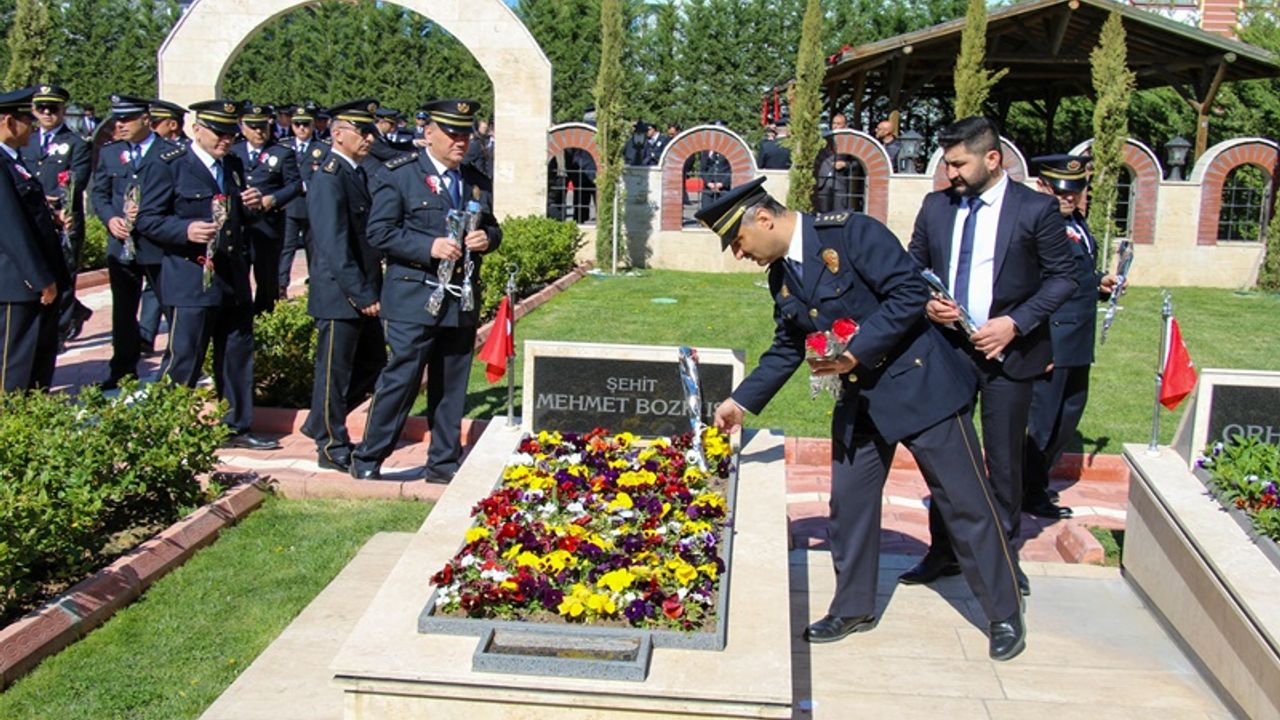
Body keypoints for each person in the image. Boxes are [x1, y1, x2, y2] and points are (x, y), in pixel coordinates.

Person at [700, 177, 1025, 661]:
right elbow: (789, 345)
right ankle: (853, 607)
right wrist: (741, 402)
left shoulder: (853, 234)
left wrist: (856, 352)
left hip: (922, 390)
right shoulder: (782, 276)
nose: (738, 254)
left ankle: (1003, 612)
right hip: (860, 402)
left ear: (764, 219)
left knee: (965, 505)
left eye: (739, 241)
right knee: (849, 505)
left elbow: (908, 294)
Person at [904, 116, 1076, 596]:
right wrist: (926, 302)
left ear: (992, 158)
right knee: (946, 454)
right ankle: (944, 552)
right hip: (948, 350)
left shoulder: (1035, 209)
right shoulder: (935, 206)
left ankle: (1001, 559)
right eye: (946, 163)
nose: (950, 173)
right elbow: (913, 266)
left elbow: (1063, 278)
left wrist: (1014, 323)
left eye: (958, 163)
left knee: (1003, 461)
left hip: (1011, 353)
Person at [351, 99, 501, 482]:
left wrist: (488, 238)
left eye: (465, 133)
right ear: (428, 132)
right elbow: (379, 232)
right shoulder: (400, 174)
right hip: (414, 296)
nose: (460, 141)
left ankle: (443, 463)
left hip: (460, 299)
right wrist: (428, 247)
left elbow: (494, 226)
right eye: (452, 133)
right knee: (400, 380)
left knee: (452, 385)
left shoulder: (474, 180)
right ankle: (369, 457)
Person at [136, 99, 280, 451]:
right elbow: (147, 219)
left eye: (231, 133)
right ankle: (167, 430)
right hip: (190, 278)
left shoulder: (232, 164)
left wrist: (250, 207)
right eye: (218, 132)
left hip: (231, 275)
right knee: (185, 356)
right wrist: (184, 230)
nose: (225, 140)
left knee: (236, 353)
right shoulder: (169, 165)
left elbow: (238, 219)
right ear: (196, 129)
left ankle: (236, 426)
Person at [1023, 154, 1121, 519]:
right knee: (1043, 420)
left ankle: (1036, 482)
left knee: (1069, 414)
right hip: (1053, 336)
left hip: (1079, 336)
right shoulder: (1036, 226)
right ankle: (1027, 490)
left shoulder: (1077, 224)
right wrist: (1039, 344)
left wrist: (1100, 284)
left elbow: (1075, 273)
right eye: (1062, 191)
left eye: (1075, 191)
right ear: (1042, 186)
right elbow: (1033, 288)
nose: (1069, 198)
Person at [299, 99, 386, 472]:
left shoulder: (356, 172)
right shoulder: (329, 176)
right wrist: (361, 293)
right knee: (334, 373)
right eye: (362, 131)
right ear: (338, 133)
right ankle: (330, 443)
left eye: (371, 131)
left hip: (360, 289)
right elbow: (333, 244)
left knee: (373, 365)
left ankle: (320, 421)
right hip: (340, 294)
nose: (369, 138)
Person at [92, 94, 176, 389]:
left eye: (127, 118)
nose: (120, 124)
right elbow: (99, 194)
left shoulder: (170, 153)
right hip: (121, 245)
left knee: (171, 306)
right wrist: (110, 218)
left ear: (146, 120)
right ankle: (123, 370)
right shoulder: (111, 153)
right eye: (117, 118)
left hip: (156, 245)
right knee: (123, 311)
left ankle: (174, 367)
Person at [0, 86, 67, 392]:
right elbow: (11, 228)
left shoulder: (14, 160)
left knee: (36, 362)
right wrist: (40, 278)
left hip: (28, 279)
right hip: (17, 282)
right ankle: (13, 427)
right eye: (28, 117)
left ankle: (32, 422)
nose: (35, 124)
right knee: (13, 366)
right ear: (7, 122)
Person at [19, 84, 92, 349]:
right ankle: (74, 312)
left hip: (64, 218)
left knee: (63, 273)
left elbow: (78, 180)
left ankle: (59, 331)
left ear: (63, 110)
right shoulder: (26, 141)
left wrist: (58, 200)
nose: (47, 113)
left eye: (54, 108)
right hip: (34, 218)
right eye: (41, 108)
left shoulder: (76, 143)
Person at [230, 102, 302, 315]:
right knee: (238, 275)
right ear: (242, 127)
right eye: (253, 127)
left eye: (263, 126)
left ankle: (264, 317)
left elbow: (295, 185)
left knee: (267, 278)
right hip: (240, 226)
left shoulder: (281, 152)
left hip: (268, 225)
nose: (259, 132)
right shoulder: (234, 152)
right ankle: (241, 317)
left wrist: (273, 199)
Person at [279, 101, 326, 295]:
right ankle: (281, 286)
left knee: (313, 249)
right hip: (289, 206)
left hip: (312, 207)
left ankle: (315, 285)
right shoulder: (283, 147)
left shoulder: (322, 148)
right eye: (297, 124)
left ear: (313, 125)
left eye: (306, 124)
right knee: (286, 248)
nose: (301, 128)